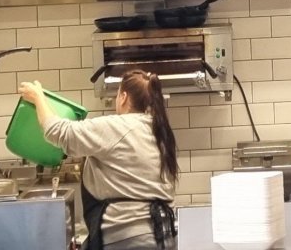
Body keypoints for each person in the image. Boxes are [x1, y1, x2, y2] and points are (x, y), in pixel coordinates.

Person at [18, 70, 178, 250]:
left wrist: (38, 97)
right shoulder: (160, 132)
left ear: (123, 97)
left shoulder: (118, 126)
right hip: (163, 237)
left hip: (127, 240)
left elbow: (59, 132)